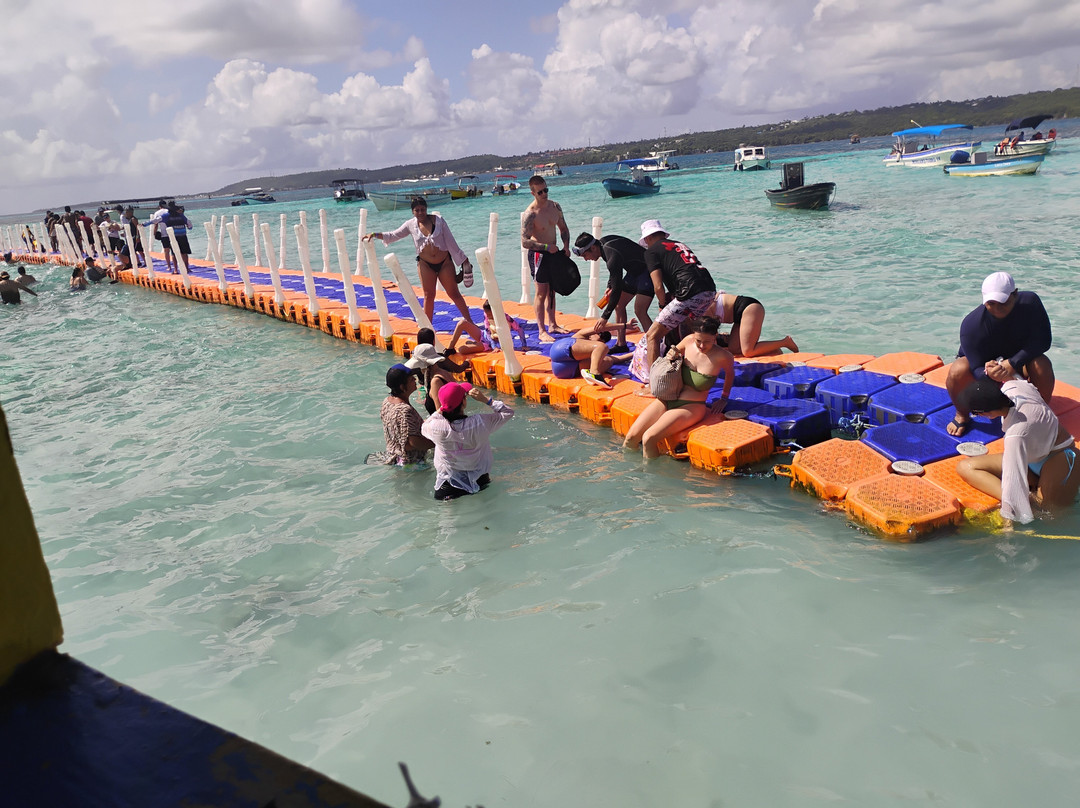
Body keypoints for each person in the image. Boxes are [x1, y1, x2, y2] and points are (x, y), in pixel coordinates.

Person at [956, 378, 1080, 525]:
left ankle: (1032, 495)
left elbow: (1012, 478)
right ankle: (1028, 496)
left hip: (1061, 457)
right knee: (965, 467)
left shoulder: (1016, 434)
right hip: (1031, 459)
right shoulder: (1012, 386)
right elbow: (1023, 381)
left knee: (1048, 516)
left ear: (985, 413)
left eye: (975, 414)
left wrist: (1009, 515)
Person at [946, 271, 1053, 437]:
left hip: (1017, 363)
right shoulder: (971, 325)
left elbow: (1044, 341)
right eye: (991, 303)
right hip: (987, 368)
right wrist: (990, 372)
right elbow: (975, 368)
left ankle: (1040, 413)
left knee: (1041, 364)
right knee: (957, 369)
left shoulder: (1031, 303)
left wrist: (1012, 364)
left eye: (1003, 302)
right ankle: (962, 414)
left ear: (1015, 294)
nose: (997, 308)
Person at [364, 197, 483, 345]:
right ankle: (427, 330)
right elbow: (394, 235)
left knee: (454, 293)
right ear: (413, 212)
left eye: (422, 209)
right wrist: (375, 234)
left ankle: (470, 323)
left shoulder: (439, 221)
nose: (420, 212)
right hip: (425, 264)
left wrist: (463, 260)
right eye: (417, 210)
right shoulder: (410, 225)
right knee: (428, 295)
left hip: (444, 262)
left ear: (426, 209)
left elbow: (451, 242)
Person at [623, 316, 734, 459]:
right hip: (668, 397)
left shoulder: (723, 356)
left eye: (706, 342)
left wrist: (724, 398)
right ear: (693, 335)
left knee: (648, 439)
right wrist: (672, 354)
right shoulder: (688, 341)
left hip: (691, 406)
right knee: (631, 437)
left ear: (715, 337)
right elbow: (673, 352)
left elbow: (730, 375)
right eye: (698, 340)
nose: (701, 346)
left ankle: (650, 480)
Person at [638, 219, 717, 370]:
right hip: (709, 290)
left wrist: (662, 305)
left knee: (652, 335)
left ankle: (654, 382)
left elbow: (658, 286)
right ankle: (700, 368)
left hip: (689, 291)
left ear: (647, 238)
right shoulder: (678, 244)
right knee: (693, 331)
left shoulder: (651, 251)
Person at [421, 381, 514, 500]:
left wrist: (442, 408)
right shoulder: (479, 423)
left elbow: (424, 426)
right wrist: (486, 400)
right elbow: (507, 412)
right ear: (464, 403)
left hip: (447, 486)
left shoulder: (436, 427)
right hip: (479, 481)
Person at [573, 232, 654, 342]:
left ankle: (656, 346)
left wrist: (604, 317)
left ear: (593, 247)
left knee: (640, 310)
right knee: (619, 305)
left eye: (585, 255)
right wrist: (609, 286)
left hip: (648, 271)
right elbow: (614, 274)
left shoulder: (611, 254)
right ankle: (621, 344)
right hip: (634, 273)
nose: (586, 259)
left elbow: (617, 288)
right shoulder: (603, 246)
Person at [521, 175, 573, 342]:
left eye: (546, 190)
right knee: (541, 292)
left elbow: (563, 228)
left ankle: (553, 324)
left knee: (552, 290)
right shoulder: (531, 214)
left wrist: (566, 246)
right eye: (540, 192)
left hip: (554, 252)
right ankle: (541, 330)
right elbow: (524, 241)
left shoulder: (555, 206)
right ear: (533, 193)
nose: (544, 194)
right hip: (539, 254)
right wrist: (545, 247)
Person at [369, 364, 434, 466]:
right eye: (411, 379)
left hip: (394, 456)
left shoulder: (387, 402)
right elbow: (414, 442)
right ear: (402, 387)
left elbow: (400, 429)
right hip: (412, 462)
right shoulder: (405, 410)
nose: (415, 380)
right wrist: (437, 443)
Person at [405, 328, 473, 414]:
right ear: (433, 342)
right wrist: (467, 362)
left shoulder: (417, 361)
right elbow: (458, 369)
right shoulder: (440, 363)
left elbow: (440, 412)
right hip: (445, 397)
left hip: (423, 390)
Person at [710, 291, 798, 357]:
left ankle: (785, 342)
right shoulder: (700, 304)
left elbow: (709, 336)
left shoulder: (700, 307)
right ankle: (773, 349)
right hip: (738, 315)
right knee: (734, 349)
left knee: (748, 351)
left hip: (749, 307)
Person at [548, 323, 634, 389]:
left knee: (608, 360)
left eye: (604, 340)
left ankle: (591, 373)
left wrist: (636, 353)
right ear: (596, 332)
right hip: (561, 348)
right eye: (601, 335)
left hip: (564, 371)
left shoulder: (596, 352)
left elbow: (617, 359)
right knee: (601, 347)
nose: (601, 339)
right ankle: (594, 373)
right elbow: (603, 326)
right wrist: (625, 325)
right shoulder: (581, 335)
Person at [447, 300, 529, 354]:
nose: (488, 316)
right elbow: (488, 332)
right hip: (483, 335)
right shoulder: (486, 315)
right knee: (462, 323)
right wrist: (495, 347)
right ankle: (450, 348)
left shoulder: (506, 318)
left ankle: (476, 345)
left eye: (490, 315)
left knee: (462, 350)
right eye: (487, 314)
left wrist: (524, 344)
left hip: (487, 344)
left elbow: (519, 329)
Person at [148, 200, 174, 271]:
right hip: (172, 233)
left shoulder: (157, 213)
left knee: (166, 250)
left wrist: (154, 233)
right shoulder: (169, 211)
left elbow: (155, 224)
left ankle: (169, 266)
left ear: (159, 206)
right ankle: (177, 265)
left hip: (164, 234)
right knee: (174, 250)